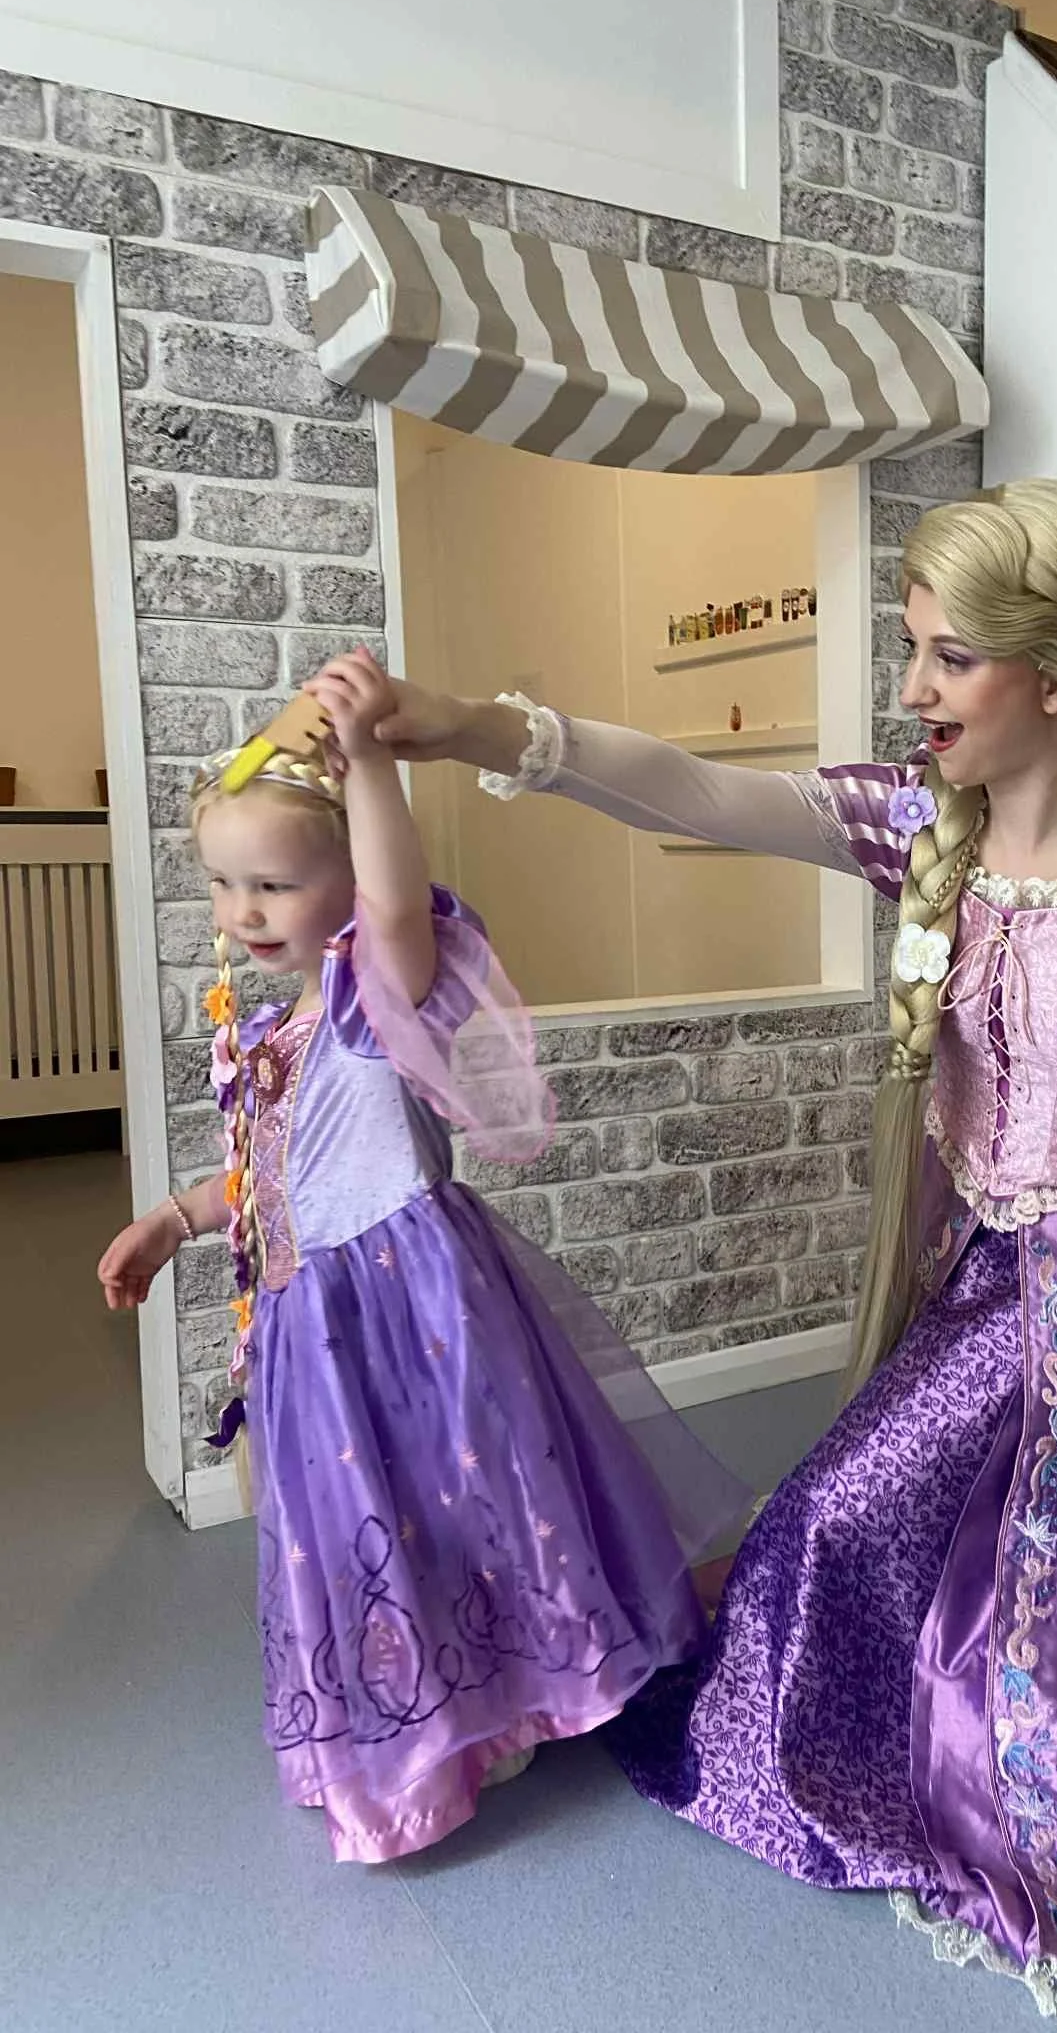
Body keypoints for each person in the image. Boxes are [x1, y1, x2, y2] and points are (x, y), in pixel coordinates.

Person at [358, 483, 1057, 2026]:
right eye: (910, 653)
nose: (913, 689)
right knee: (812, 1540)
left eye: (946, 659)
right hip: (999, 1284)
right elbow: (690, 790)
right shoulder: (921, 829)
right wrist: (467, 726)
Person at [97, 649, 744, 1866]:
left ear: (343, 877)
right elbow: (271, 1170)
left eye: (278, 884)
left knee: (468, 1501)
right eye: (228, 886)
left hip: (410, 1308)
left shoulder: (372, 986)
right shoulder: (280, 1029)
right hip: (311, 1327)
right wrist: (178, 1218)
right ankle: (422, 1726)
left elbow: (398, 905)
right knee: (372, 1531)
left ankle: (506, 1702)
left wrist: (377, 765)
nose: (246, 913)